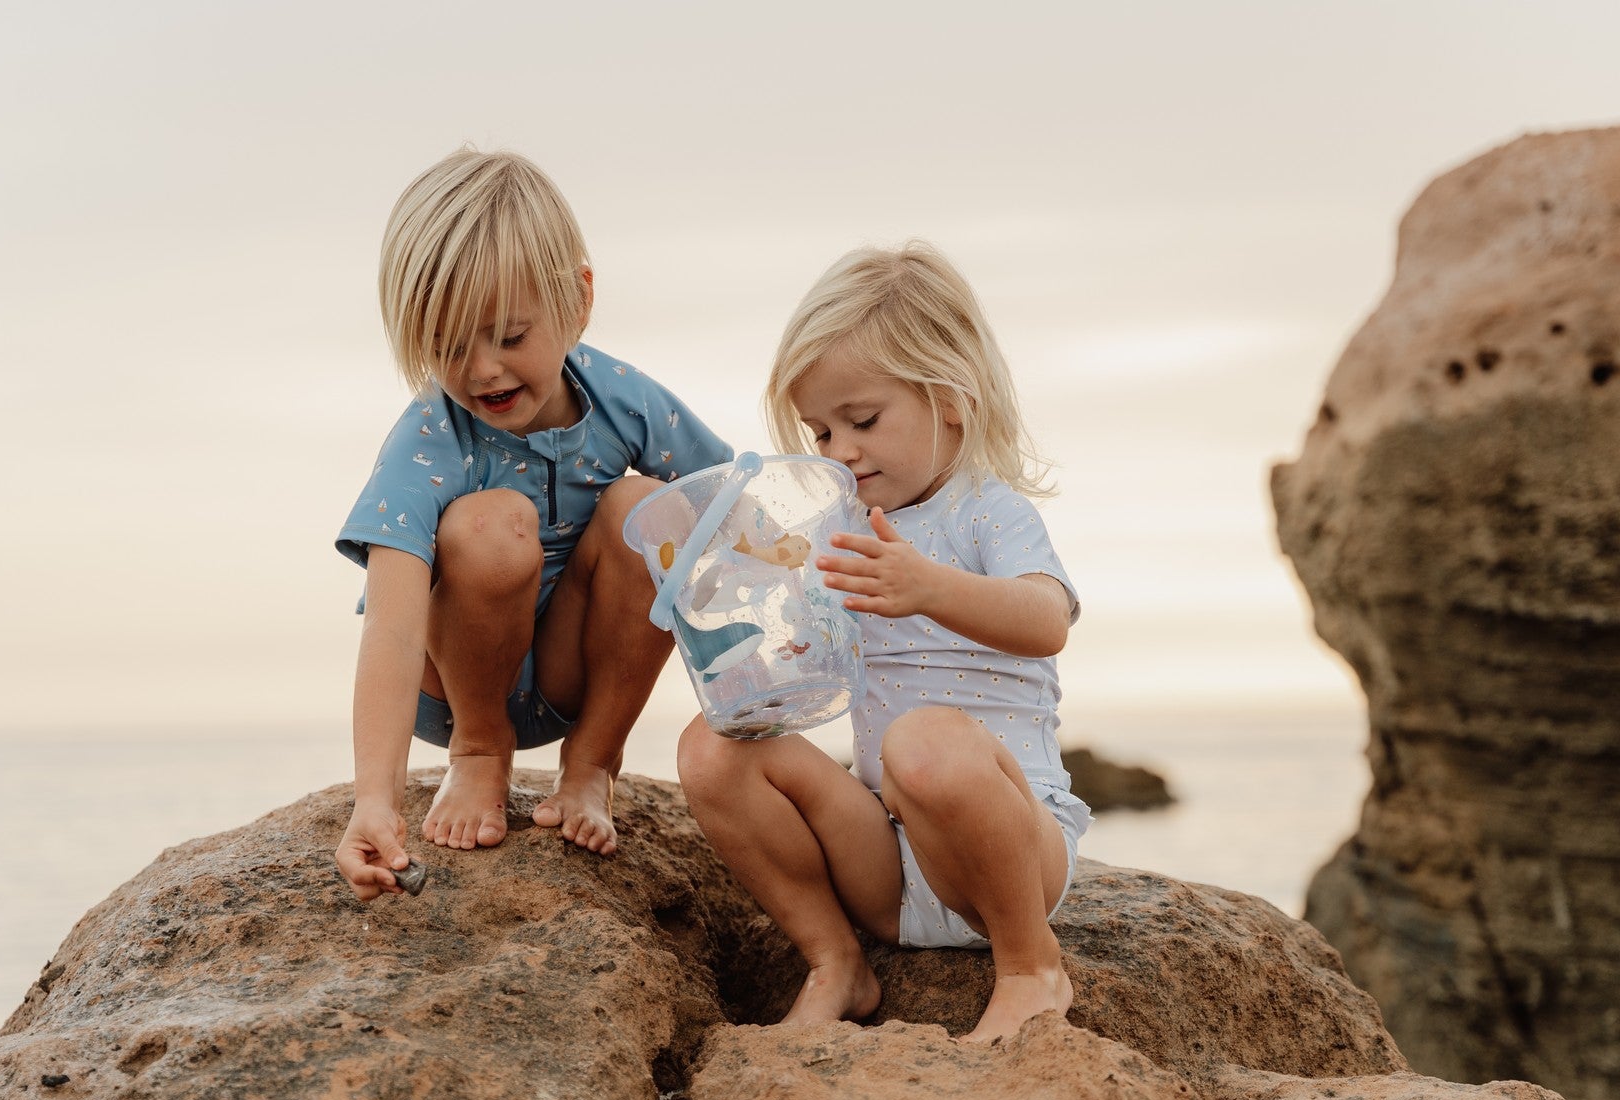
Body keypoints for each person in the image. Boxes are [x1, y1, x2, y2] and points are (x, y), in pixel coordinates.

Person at [677, 243, 1091, 1043]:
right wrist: (757, 637)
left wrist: (931, 586)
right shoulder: (838, 527)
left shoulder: (988, 512)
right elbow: (821, 656)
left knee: (923, 740)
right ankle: (838, 962)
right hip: (892, 871)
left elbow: (1047, 621)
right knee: (712, 747)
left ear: (950, 400)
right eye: (821, 430)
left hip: (1012, 854)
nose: (839, 451)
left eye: (862, 421)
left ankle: (1029, 965)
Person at [333, 149, 731, 898]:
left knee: (652, 508)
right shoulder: (428, 439)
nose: (482, 370)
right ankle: (483, 753)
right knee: (492, 525)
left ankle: (590, 766)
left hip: (570, 664)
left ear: (577, 302)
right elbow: (389, 627)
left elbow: (728, 508)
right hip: (454, 683)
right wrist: (374, 800)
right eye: (450, 346)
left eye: (510, 336)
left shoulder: (622, 398)